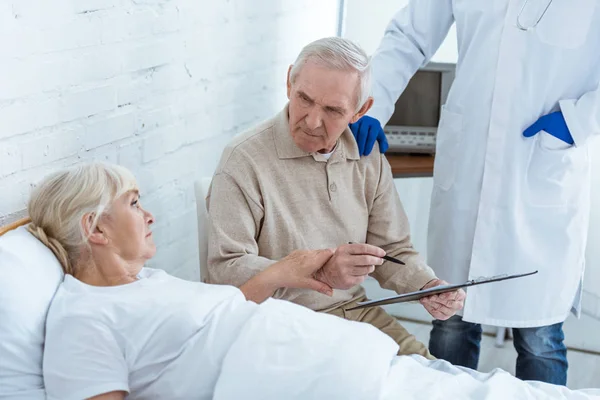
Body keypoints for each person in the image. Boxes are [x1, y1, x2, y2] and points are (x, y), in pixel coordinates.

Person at [32, 162, 600, 399]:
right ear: (95, 228)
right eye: (134, 203)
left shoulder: (145, 281)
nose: (149, 213)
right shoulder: (82, 319)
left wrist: (289, 270)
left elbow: (218, 315)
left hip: (350, 360)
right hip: (313, 378)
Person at [349, 0, 600, 385]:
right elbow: (410, 34)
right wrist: (371, 104)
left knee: (539, 337)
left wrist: (578, 121)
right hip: (469, 169)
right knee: (450, 318)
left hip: (540, 173)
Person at [206, 36, 465, 359]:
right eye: (304, 99)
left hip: (356, 314)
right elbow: (224, 269)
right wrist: (320, 272)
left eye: (332, 110)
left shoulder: (367, 158)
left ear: (361, 110)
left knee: (433, 380)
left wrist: (426, 286)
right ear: (289, 83)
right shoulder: (243, 160)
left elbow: (393, 251)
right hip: (276, 322)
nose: (313, 121)